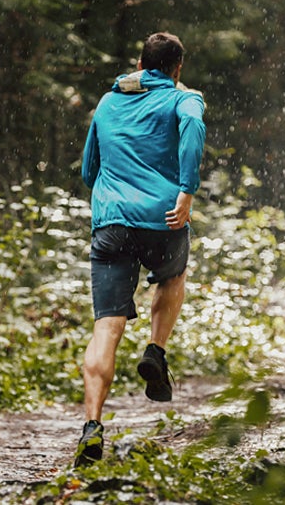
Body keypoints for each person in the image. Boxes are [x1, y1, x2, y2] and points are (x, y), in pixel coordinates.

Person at [74, 32, 206, 467]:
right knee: (172, 276)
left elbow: (88, 170)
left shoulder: (108, 103)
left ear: (139, 61)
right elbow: (193, 127)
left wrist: (117, 192)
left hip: (111, 224)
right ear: (177, 68)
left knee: (105, 328)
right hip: (164, 220)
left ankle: (92, 426)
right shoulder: (184, 100)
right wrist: (185, 189)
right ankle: (156, 350)